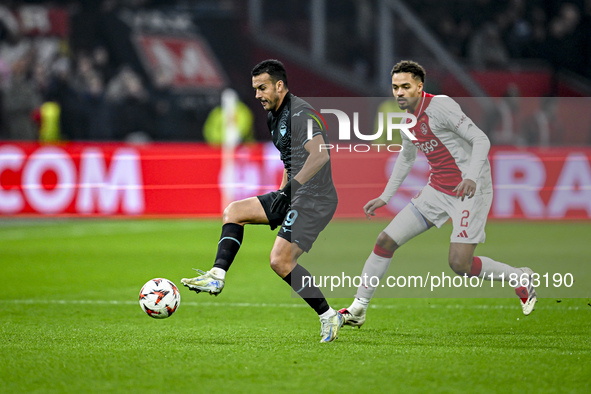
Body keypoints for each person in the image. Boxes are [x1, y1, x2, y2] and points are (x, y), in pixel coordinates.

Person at [339, 60, 537, 328]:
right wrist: (386, 196)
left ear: (419, 87)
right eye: (395, 87)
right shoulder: (407, 119)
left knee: (459, 264)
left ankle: (519, 277)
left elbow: (481, 140)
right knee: (385, 240)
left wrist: (470, 176)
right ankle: (359, 308)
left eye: (405, 86)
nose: (399, 92)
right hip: (438, 189)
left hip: (471, 189)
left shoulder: (441, 106)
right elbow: (406, 157)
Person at [181, 59, 343, 342]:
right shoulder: (273, 115)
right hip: (295, 193)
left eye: (263, 88)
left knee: (280, 262)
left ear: (280, 86)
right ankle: (217, 275)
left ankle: (328, 315)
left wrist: (287, 193)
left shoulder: (300, 114)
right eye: (255, 89)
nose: (257, 95)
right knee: (234, 211)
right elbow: (290, 162)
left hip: (315, 199)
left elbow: (320, 155)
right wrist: (282, 193)